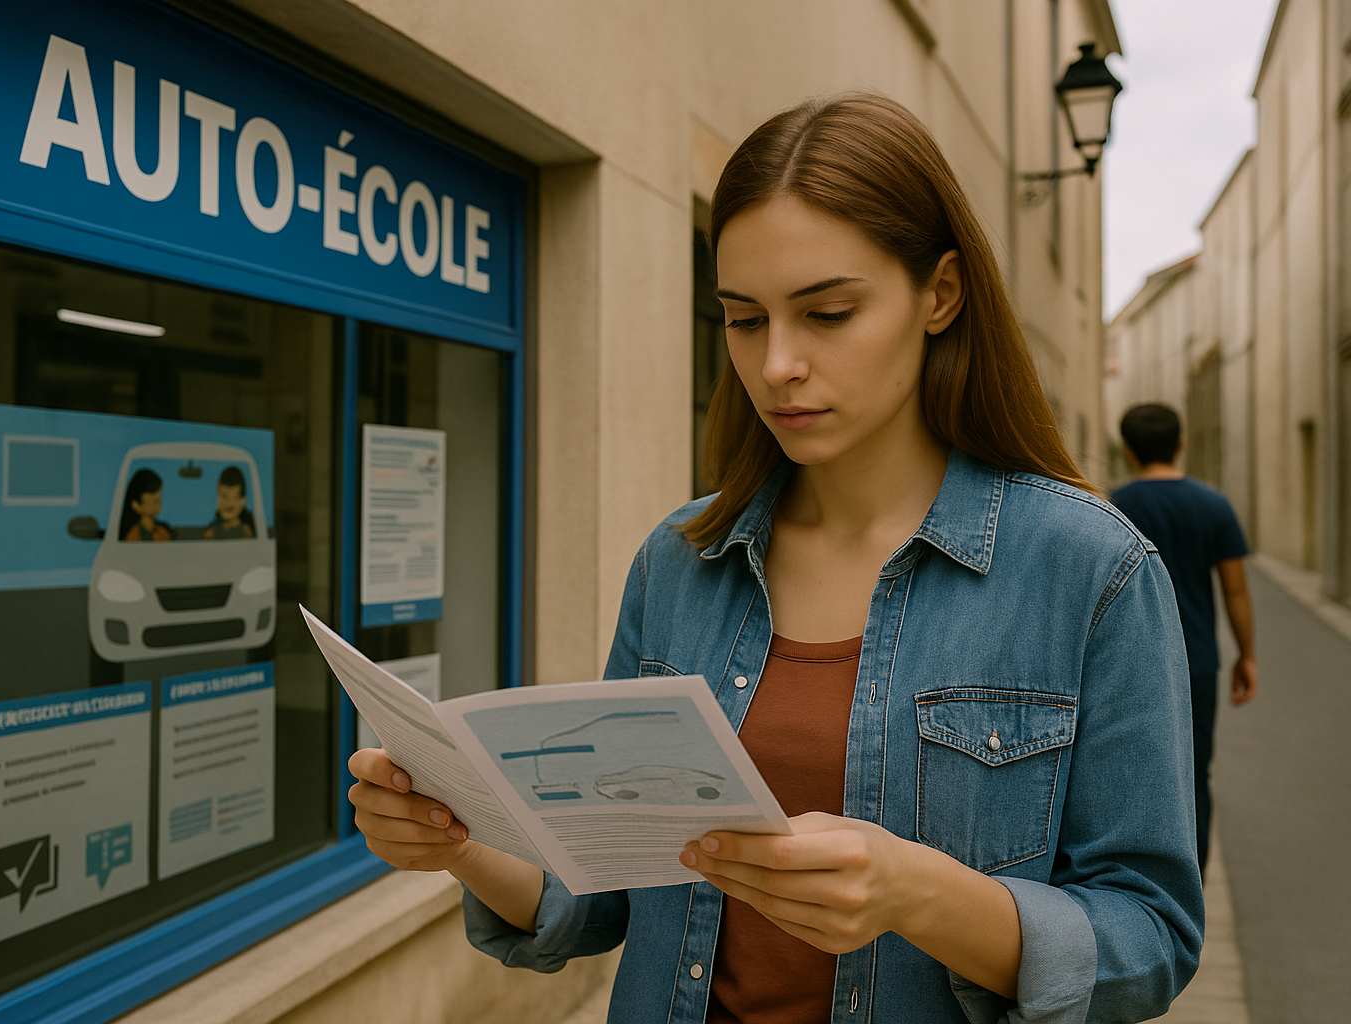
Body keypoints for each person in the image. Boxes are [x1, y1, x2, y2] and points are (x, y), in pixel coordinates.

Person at [347, 94, 1202, 1023]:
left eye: (827, 313)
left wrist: (920, 894)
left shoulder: (1092, 573)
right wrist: (458, 837)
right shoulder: (679, 562)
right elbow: (598, 897)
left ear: (941, 295)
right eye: (744, 319)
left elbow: (1149, 939)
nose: (777, 363)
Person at [1111, 403, 1256, 876]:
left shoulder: (1112, 507)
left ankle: (1137, 880)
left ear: (1128, 449)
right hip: (1198, 661)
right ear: (1181, 442)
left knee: (1129, 773)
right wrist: (1247, 655)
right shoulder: (1213, 505)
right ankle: (1190, 881)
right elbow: (1234, 589)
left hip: (1127, 664)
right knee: (1195, 774)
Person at [203, 465, 257, 539]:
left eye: (235, 498)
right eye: (224, 497)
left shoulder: (247, 531)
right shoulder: (211, 533)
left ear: (242, 501)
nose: (228, 503)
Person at [119, 468, 172, 542]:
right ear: (136, 505)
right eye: (151, 492)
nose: (159, 498)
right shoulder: (131, 535)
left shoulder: (164, 531)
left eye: (159, 493)